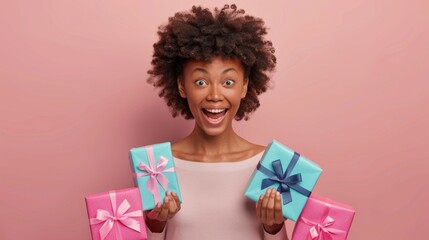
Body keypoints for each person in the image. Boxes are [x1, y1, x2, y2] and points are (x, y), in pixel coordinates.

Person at [145, 4, 288, 240]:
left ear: (244, 86)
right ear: (182, 86)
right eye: (201, 82)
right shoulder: (157, 167)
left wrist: (272, 228)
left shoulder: (272, 167)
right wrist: (155, 224)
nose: (214, 95)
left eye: (228, 82)